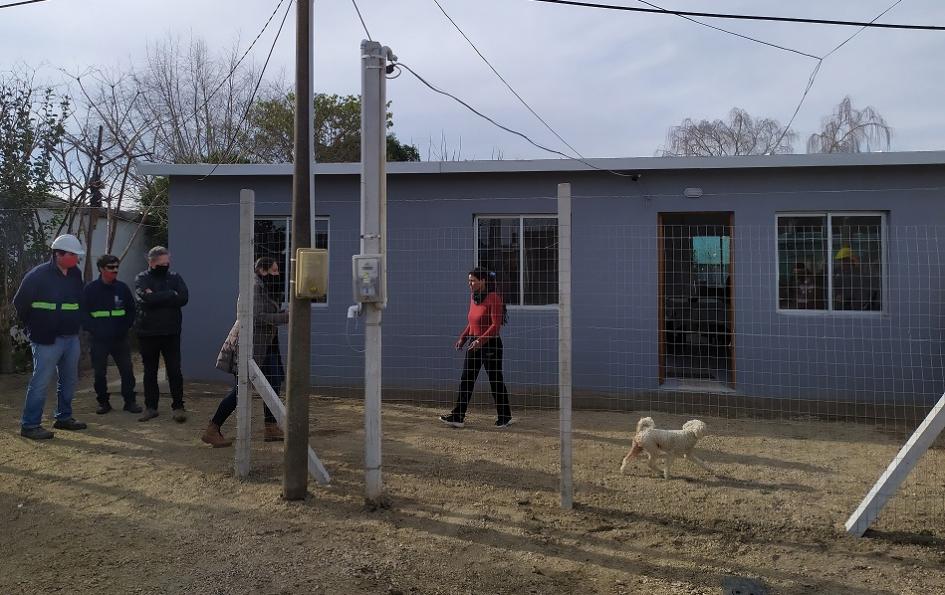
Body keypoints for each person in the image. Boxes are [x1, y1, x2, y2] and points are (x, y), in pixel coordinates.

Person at [202, 257, 287, 447]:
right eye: (274, 271)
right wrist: (284, 317)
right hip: (250, 347)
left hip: (267, 347)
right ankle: (213, 428)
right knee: (241, 390)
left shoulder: (265, 287)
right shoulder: (253, 288)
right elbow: (257, 317)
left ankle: (271, 426)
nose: (277, 274)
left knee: (273, 383)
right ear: (262, 271)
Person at [12, 234, 88, 439]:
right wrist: (35, 327)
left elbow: (78, 301)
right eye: (72, 255)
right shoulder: (38, 275)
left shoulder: (74, 274)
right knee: (41, 382)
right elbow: (20, 304)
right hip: (45, 339)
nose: (76, 259)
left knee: (69, 380)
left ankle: (63, 418)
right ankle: (30, 425)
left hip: (70, 337)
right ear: (58, 254)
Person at [440, 267, 512, 429]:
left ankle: (504, 417)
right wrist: (463, 338)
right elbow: (472, 321)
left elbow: (495, 326)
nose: (470, 284)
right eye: (469, 281)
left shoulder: (494, 298)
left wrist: (480, 341)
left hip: (490, 344)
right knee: (466, 379)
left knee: (495, 381)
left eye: (473, 280)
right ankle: (458, 416)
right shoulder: (474, 297)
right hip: (474, 343)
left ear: (483, 281)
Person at [135, 246, 189, 422]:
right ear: (151, 262)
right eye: (162, 263)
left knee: (174, 371)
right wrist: (170, 294)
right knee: (150, 372)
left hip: (171, 333)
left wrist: (158, 295)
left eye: (168, 262)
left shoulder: (175, 277)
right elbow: (146, 298)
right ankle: (151, 407)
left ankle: (178, 407)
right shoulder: (142, 278)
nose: (166, 266)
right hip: (148, 333)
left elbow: (184, 298)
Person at [82, 255, 141, 415]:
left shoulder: (122, 288)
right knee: (100, 373)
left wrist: (125, 327)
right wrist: (94, 329)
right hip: (99, 340)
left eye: (116, 267)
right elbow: (83, 313)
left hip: (119, 339)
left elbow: (131, 310)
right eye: (111, 267)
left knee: (127, 370)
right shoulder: (90, 289)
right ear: (101, 269)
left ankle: (130, 402)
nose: (115, 270)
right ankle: (103, 403)